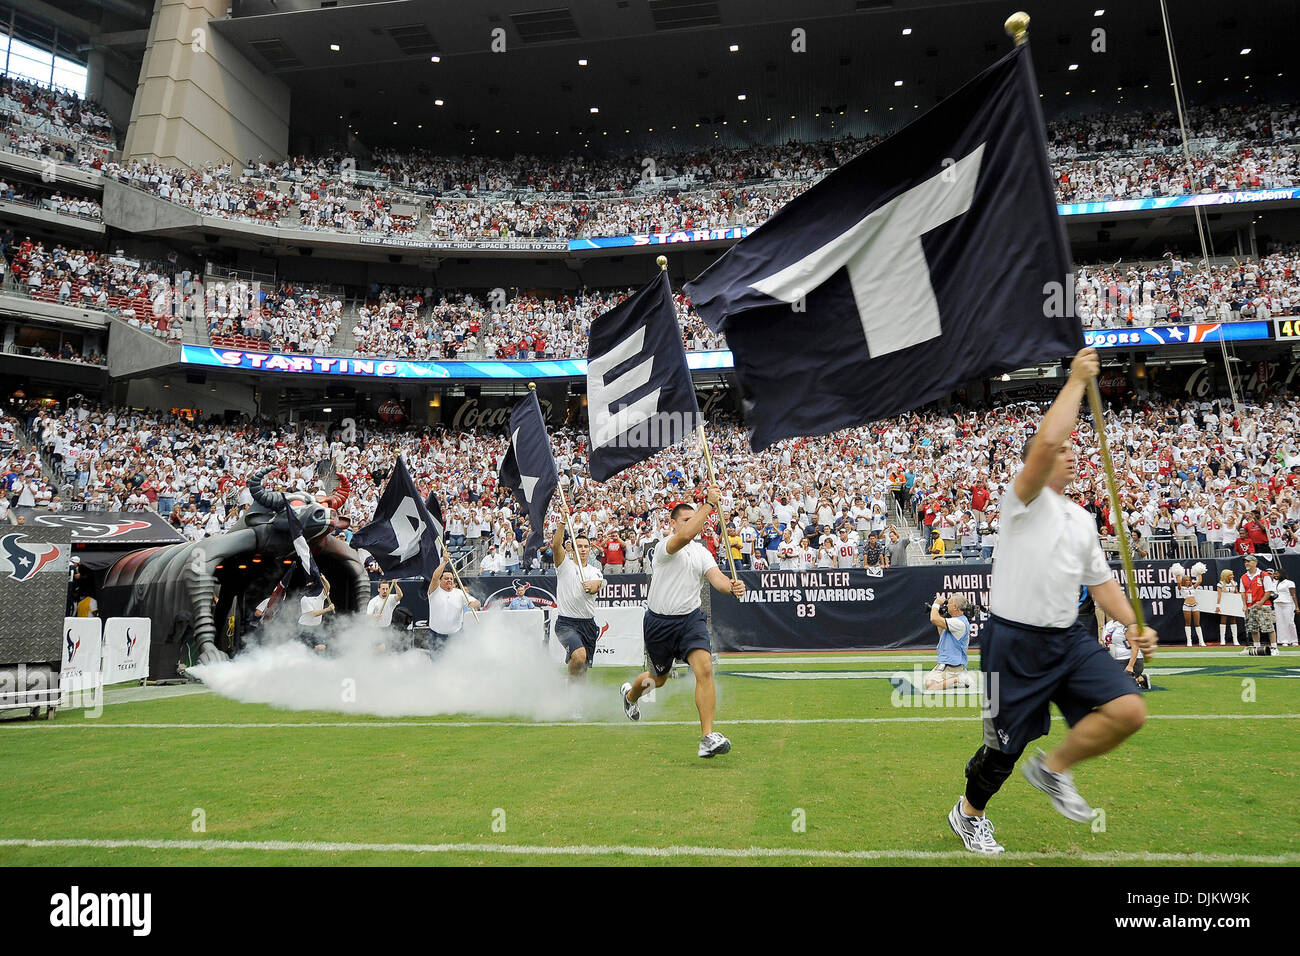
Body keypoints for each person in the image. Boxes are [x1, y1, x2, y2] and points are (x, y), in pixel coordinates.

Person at [947, 347, 1156, 855]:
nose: (1070, 452)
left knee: (1130, 710)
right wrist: (1077, 382)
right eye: (1063, 450)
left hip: (1067, 639)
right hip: (1011, 643)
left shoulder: (1081, 518)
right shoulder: (1020, 501)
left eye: (1072, 449)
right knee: (1002, 751)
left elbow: (1102, 583)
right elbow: (1047, 440)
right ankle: (969, 814)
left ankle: (1054, 769)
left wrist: (1133, 623)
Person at [619, 485, 746, 758]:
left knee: (705, 669)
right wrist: (709, 506)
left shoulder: (701, 553)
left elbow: (716, 579)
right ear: (673, 524)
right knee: (658, 679)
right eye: (686, 520)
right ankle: (631, 696)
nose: (692, 525)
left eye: (694, 519)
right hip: (659, 624)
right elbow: (688, 535)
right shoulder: (665, 547)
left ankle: (707, 737)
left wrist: (731, 586)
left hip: (690, 620)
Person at [551, 515, 605, 683]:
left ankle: (576, 699)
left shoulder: (594, 570)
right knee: (579, 656)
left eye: (586, 547)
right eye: (579, 546)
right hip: (566, 623)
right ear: (572, 549)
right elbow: (555, 545)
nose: (583, 549)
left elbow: (597, 584)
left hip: (588, 624)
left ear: (590, 549)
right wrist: (562, 523)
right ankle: (570, 686)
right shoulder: (564, 565)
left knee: (582, 668)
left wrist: (592, 587)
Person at [425, 551, 480, 656]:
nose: (449, 580)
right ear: (440, 581)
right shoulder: (434, 591)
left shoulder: (460, 593)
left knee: (455, 662)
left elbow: (478, 602)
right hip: (436, 635)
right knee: (437, 662)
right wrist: (445, 561)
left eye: (451, 578)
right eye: (446, 578)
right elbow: (434, 577)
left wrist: (474, 604)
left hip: (455, 635)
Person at [925, 593, 972, 690]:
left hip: (952, 665)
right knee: (927, 681)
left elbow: (934, 619)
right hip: (949, 663)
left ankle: (959, 678)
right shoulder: (956, 620)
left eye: (949, 603)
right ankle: (959, 677)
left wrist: (936, 604)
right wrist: (941, 614)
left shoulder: (959, 623)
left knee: (931, 686)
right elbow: (942, 634)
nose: (946, 605)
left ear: (955, 607)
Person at [1240, 555, 1277, 655]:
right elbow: (1243, 592)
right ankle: (1257, 647)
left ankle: (1274, 648)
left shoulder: (1263, 575)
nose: (1246, 563)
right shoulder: (1243, 577)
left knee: (1269, 627)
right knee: (1253, 628)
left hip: (1263, 605)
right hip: (1250, 605)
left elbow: (1269, 591)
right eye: (1245, 562)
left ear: (1255, 563)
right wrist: (1244, 605)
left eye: (1249, 561)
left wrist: (1261, 602)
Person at [1101, 617, 1149, 690]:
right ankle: (1139, 678)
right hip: (1114, 660)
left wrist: (1130, 666)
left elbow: (1135, 647)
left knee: (1117, 688)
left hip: (1129, 660)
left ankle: (1136, 680)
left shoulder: (1127, 626)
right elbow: (1105, 642)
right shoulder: (1109, 624)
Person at [298, 578, 334, 652]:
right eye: (308, 584)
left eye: (312, 583)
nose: (310, 585)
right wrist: (327, 609)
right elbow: (313, 614)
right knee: (304, 649)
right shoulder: (305, 599)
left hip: (316, 627)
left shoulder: (320, 596)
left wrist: (323, 579)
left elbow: (327, 587)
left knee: (322, 647)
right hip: (304, 628)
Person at [1216, 569, 1240, 646]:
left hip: (1232, 604)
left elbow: (1236, 593)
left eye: (1232, 574)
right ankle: (1222, 640)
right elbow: (1219, 595)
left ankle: (1235, 640)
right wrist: (1218, 606)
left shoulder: (1234, 583)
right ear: (1226, 576)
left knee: (1233, 620)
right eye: (1230, 575)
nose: (1232, 576)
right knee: (1223, 620)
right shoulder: (1220, 584)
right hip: (1224, 604)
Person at [1274, 572, 1298, 647]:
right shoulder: (1274, 583)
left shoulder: (1289, 583)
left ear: (1282, 574)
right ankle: (1284, 640)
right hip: (1277, 603)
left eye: (1277, 574)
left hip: (1288, 603)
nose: (1275, 575)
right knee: (1280, 622)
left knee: (1289, 622)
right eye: (1275, 574)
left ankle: (1294, 640)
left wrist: (1297, 606)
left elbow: (1293, 595)